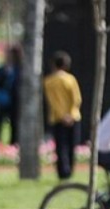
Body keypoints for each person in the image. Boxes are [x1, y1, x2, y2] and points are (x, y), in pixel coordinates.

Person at [43, 51, 82, 180]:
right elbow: (76, 99)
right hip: (73, 117)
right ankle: (70, 170)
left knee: (61, 146)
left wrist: (62, 115)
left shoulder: (48, 81)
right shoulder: (70, 79)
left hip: (57, 118)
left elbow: (52, 102)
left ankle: (63, 172)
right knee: (72, 145)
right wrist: (70, 114)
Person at [0, 45, 21, 146]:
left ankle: (13, 141)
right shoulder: (2, 69)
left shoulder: (20, 69)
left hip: (14, 99)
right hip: (3, 98)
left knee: (14, 121)